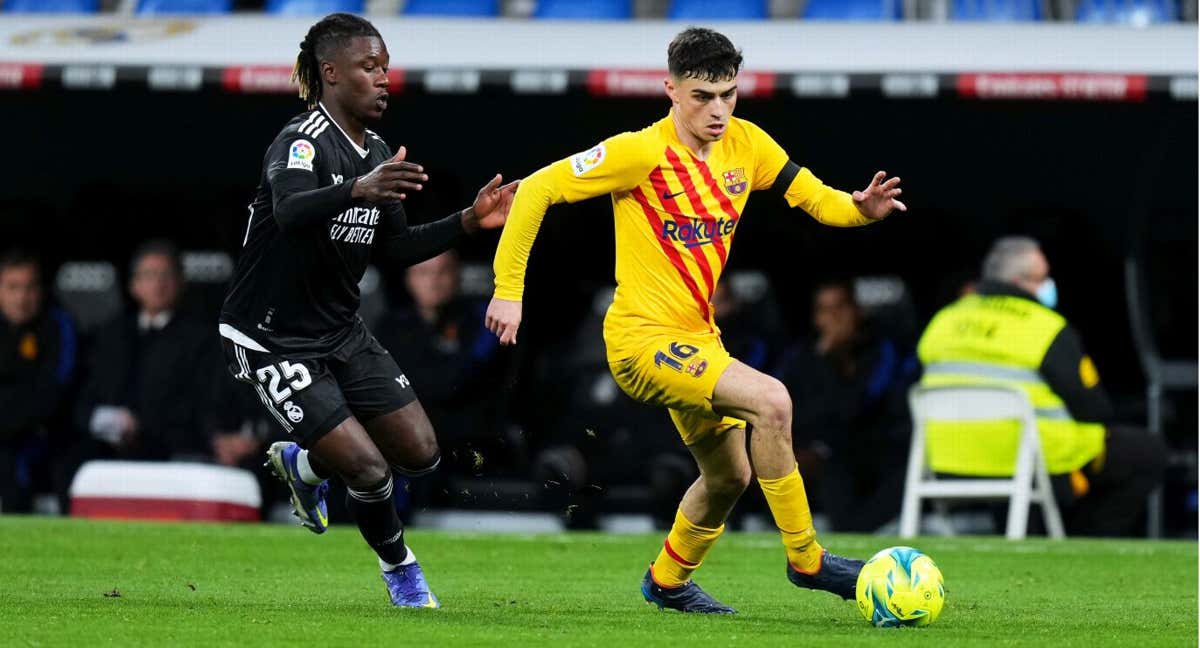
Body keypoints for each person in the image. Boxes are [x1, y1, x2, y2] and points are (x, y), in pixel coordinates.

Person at [486, 27, 905, 613]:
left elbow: (815, 197)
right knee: (773, 401)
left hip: (697, 339)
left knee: (730, 477)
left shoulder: (748, 145)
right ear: (671, 90)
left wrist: (860, 210)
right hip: (639, 339)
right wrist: (509, 291)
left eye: (728, 94)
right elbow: (534, 191)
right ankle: (807, 559)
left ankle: (667, 581)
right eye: (703, 96)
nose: (718, 110)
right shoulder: (639, 152)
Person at [218, 13, 517, 609]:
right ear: (330, 73)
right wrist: (357, 189)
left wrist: (466, 222)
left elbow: (395, 248)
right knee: (371, 473)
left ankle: (304, 467)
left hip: (340, 330)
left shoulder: (376, 150)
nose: (383, 78)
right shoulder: (301, 140)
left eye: (385, 67)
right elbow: (289, 211)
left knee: (420, 453)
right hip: (272, 337)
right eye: (369, 67)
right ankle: (402, 575)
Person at [917, 236, 1167, 536]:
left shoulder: (943, 321)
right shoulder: (1045, 327)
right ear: (1021, 280)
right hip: (1031, 461)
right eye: (1043, 277)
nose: (1049, 283)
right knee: (1147, 452)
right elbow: (1094, 408)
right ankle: (1085, 542)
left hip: (948, 460)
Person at [775, 279, 915, 532]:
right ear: (816, 318)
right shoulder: (802, 356)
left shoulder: (882, 351)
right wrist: (822, 360)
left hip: (871, 445)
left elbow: (857, 407)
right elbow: (790, 410)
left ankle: (853, 532)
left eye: (840, 307)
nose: (834, 317)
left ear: (857, 310)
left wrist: (832, 361)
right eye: (825, 310)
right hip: (813, 446)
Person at [76, 240, 217, 462]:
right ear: (134, 285)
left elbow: (200, 405)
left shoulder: (200, 339)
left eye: (166, 275)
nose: (158, 284)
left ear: (181, 283)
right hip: (106, 448)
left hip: (170, 447)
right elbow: (88, 394)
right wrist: (103, 420)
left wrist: (139, 426)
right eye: (149, 275)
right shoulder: (111, 334)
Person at [0, 250, 77, 513]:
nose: (22, 297)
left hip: (43, 434)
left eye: (29, 287)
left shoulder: (58, 325)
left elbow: (52, 392)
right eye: (13, 287)